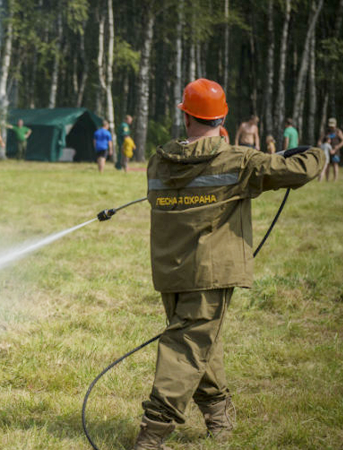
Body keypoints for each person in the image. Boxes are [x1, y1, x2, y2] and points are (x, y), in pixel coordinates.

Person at [134, 78, 323, 450]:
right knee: (189, 345)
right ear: (222, 117)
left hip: (170, 272)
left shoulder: (158, 161)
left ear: (185, 115)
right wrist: (318, 153)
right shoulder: (238, 160)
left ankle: (218, 418)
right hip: (209, 272)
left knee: (204, 341)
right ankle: (153, 432)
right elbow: (297, 171)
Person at [319, 117, 342, 182]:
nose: (331, 127)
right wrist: (320, 145)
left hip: (335, 150)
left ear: (335, 124)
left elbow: (342, 141)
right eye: (330, 126)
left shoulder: (338, 131)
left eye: (332, 126)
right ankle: (327, 179)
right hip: (327, 150)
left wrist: (336, 147)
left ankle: (335, 179)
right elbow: (320, 140)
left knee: (335, 164)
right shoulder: (326, 131)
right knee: (327, 165)